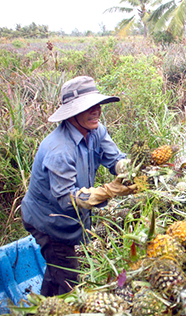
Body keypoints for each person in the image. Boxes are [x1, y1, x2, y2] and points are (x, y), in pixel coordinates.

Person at [21, 76, 137, 296]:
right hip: (48, 221)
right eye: (88, 107)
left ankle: (46, 296)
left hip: (73, 217)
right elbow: (66, 201)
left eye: (97, 105)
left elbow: (114, 159)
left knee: (57, 267)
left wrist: (129, 168)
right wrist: (110, 190)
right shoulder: (59, 150)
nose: (96, 111)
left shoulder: (96, 130)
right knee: (69, 276)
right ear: (72, 112)